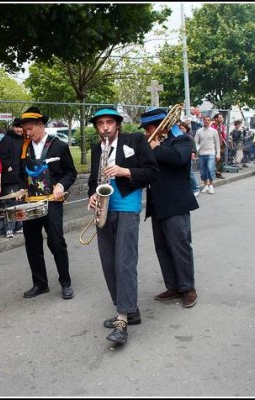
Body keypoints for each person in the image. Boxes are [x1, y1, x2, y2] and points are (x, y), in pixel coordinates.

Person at [87, 106, 157, 347]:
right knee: (108, 262)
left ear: (117, 124)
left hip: (127, 206)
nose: (105, 127)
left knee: (124, 261)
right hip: (104, 208)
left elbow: (152, 172)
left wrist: (124, 171)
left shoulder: (135, 139)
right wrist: (91, 196)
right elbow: (91, 182)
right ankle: (128, 309)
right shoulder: (97, 149)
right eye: (100, 123)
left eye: (109, 122)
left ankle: (122, 320)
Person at [16, 106, 77, 301]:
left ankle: (65, 282)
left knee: (56, 242)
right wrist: (21, 188)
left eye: (30, 128)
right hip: (30, 203)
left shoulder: (59, 146)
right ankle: (40, 283)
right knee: (32, 243)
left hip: (52, 202)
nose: (27, 132)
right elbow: (21, 175)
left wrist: (61, 185)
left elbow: (71, 173)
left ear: (41, 125)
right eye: (25, 129)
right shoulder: (24, 148)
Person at [141, 108, 199, 312]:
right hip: (157, 203)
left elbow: (179, 159)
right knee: (162, 248)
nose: (147, 132)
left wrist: (156, 148)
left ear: (160, 126)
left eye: (149, 127)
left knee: (180, 245)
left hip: (175, 202)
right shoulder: (153, 144)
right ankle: (172, 286)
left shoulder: (182, 139)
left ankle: (188, 288)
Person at [0, 117, 24, 238]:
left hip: (21, 177)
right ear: (13, 127)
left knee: (20, 202)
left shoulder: (24, 139)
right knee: (10, 203)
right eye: (17, 127)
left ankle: (19, 226)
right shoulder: (6, 140)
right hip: (10, 178)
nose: (19, 129)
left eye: (20, 127)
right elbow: (1, 156)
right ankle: (9, 228)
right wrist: (9, 167)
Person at [195, 115, 221, 194]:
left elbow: (217, 144)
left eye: (208, 120)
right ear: (203, 121)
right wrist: (195, 152)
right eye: (205, 120)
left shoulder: (214, 131)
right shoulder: (199, 131)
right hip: (202, 153)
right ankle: (205, 185)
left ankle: (211, 185)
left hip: (211, 153)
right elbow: (196, 143)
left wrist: (218, 154)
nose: (206, 121)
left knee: (210, 169)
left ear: (210, 121)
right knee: (203, 171)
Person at [179, 121, 199, 197]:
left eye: (182, 128)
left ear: (186, 129)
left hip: (187, 157)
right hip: (181, 157)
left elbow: (194, 148)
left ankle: (196, 188)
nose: (181, 130)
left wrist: (192, 153)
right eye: (180, 128)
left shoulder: (189, 137)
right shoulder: (178, 137)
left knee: (190, 173)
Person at [211, 111, 227, 179]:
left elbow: (223, 135)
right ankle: (211, 173)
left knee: (221, 159)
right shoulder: (212, 126)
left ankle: (219, 173)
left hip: (221, 144)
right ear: (216, 119)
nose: (221, 119)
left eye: (222, 117)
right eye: (220, 117)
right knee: (213, 159)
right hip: (213, 144)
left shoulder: (222, 126)